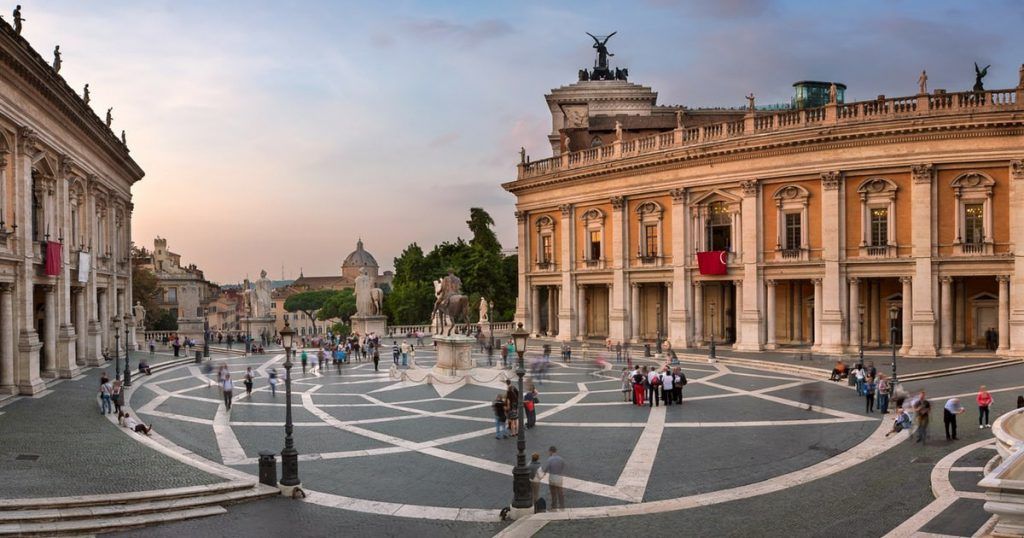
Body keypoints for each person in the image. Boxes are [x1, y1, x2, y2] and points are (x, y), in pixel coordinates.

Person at [540, 446, 566, 511]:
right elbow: (563, 466)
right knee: (560, 492)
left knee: (553, 493)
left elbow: (546, 469)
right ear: (556, 451)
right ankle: (562, 506)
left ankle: (554, 507)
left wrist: (542, 475)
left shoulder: (549, 459)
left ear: (551, 451)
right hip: (559, 477)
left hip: (552, 477)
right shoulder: (561, 459)